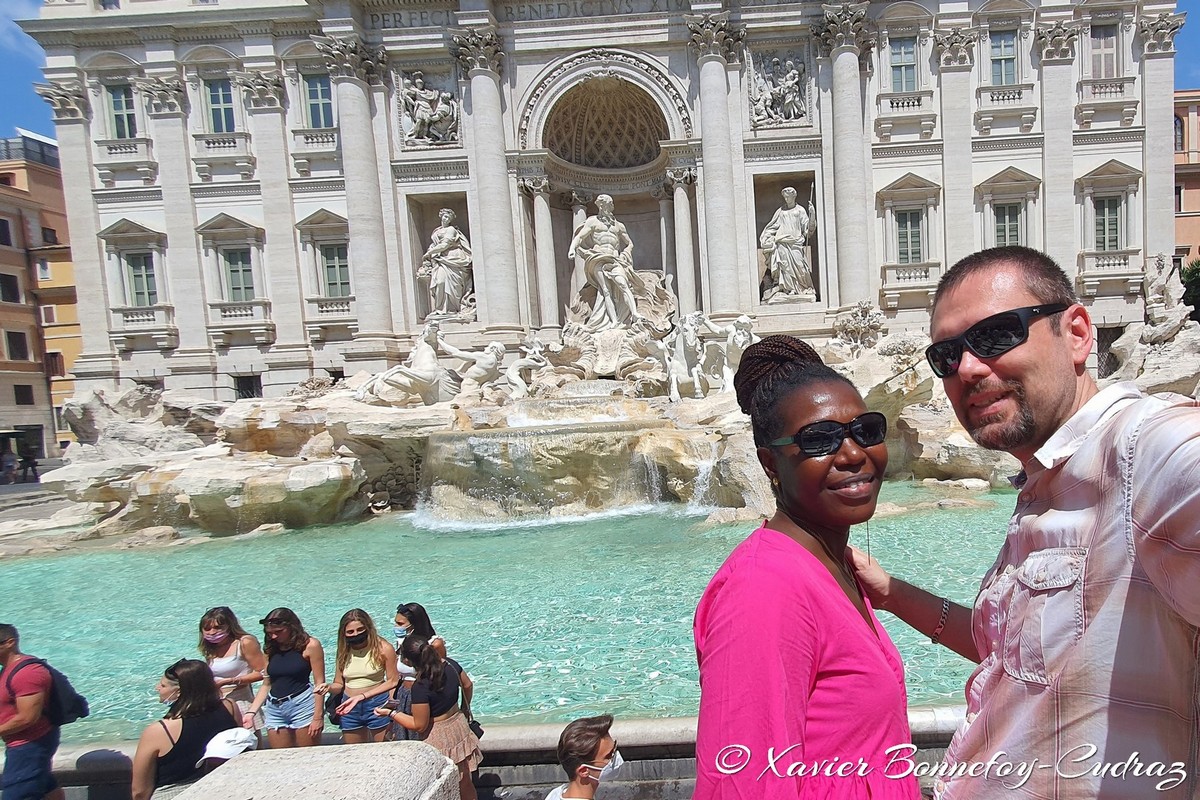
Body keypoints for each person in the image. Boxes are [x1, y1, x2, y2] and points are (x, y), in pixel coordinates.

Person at [852, 245, 1200, 799]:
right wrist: (892, 593)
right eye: (945, 357)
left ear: (1078, 334)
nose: (966, 368)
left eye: (995, 337)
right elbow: (1016, 654)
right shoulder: (1045, 478)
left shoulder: (1146, 451)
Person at [693, 335, 920, 799]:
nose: (854, 453)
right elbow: (742, 784)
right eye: (819, 440)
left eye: (866, 430)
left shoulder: (832, 567)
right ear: (769, 463)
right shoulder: (764, 588)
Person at [376, 636, 481, 800]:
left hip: (438, 736)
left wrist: (391, 713)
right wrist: (464, 709)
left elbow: (420, 725)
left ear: (408, 661)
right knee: (465, 782)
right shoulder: (450, 665)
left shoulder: (421, 686)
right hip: (458, 725)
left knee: (443, 788)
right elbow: (467, 685)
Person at [130, 659, 238, 800]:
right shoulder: (230, 707)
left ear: (179, 691)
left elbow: (139, 790)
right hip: (219, 789)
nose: (157, 688)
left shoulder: (160, 730)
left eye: (163, 685)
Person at [242, 609, 327, 749]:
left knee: (308, 756)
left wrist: (318, 717)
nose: (273, 636)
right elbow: (266, 683)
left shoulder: (311, 645)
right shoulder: (271, 648)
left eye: (278, 631)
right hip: (274, 708)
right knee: (280, 757)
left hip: (302, 705)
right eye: (270, 633)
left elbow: (320, 683)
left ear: (291, 627)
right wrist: (251, 712)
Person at [0, 624, 64, 800]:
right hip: (24, 745)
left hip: (29, 746)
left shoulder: (27, 673)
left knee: (17, 794)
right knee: (46, 787)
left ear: (9, 643)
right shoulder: (7, 669)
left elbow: (28, 718)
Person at [567, 194, 643, 332]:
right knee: (605, 290)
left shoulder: (619, 226)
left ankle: (634, 314)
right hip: (598, 257)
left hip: (615, 259)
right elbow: (580, 236)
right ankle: (613, 321)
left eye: (609, 204)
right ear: (600, 206)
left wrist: (626, 253)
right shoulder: (592, 221)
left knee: (623, 284)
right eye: (604, 205)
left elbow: (629, 243)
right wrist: (572, 248)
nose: (607, 207)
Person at [328, 609, 399, 744]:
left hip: (377, 703)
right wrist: (328, 687)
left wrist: (388, 710)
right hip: (349, 705)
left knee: (384, 750)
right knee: (354, 752)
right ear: (343, 633)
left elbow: (393, 681)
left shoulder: (383, 648)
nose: (356, 634)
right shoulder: (343, 650)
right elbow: (338, 684)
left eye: (360, 629)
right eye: (350, 632)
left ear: (368, 628)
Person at [196, 607, 266, 740]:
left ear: (229, 625)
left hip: (241, 701)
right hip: (217, 702)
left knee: (247, 745)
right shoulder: (210, 648)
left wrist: (229, 681)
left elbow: (263, 673)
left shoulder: (244, 642)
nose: (212, 632)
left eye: (217, 627)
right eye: (207, 628)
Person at [544, 714, 623, 800]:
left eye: (614, 748)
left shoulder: (556, 793)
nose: (616, 757)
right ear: (584, 771)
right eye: (609, 756)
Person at [759, 187, 816, 303]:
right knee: (784, 268)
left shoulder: (800, 210)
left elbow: (808, 230)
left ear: (794, 196)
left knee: (800, 267)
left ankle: (802, 288)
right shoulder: (780, 211)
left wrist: (812, 215)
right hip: (781, 243)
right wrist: (767, 238)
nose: (786, 199)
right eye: (784, 197)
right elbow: (772, 226)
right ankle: (788, 290)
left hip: (795, 243)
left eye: (788, 197)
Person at [419, 208, 474, 316]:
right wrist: (432, 251)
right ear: (441, 216)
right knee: (440, 282)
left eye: (448, 217)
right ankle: (441, 309)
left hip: (453, 257)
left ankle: (452, 309)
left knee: (454, 285)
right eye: (445, 216)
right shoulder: (436, 231)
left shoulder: (451, 229)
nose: (446, 219)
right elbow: (436, 244)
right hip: (440, 260)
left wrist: (429, 253)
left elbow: (445, 245)